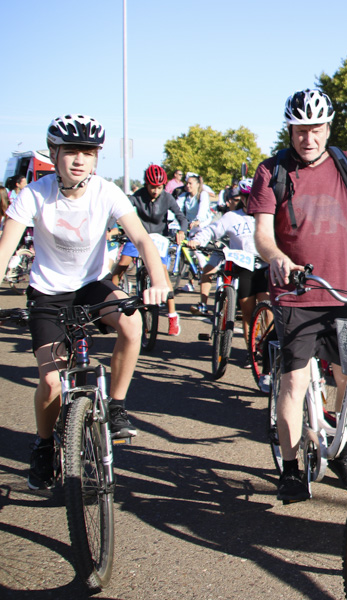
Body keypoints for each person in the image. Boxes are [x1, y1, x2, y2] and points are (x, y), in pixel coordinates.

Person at [0, 115, 172, 490]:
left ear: (96, 159)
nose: (80, 159)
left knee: (131, 321)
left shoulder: (106, 192)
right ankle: (44, 445)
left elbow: (142, 239)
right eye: (71, 151)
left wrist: (159, 280)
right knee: (50, 380)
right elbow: (5, 248)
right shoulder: (34, 194)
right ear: (53, 153)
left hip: (91, 286)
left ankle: (117, 405)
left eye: (88, 153)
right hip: (48, 292)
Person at [249, 88, 347, 503]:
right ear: (290, 130)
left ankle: (342, 443)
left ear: (327, 128)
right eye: (300, 130)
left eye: (315, 129)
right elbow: (262, 232)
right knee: (294, 382)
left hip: (345, 297)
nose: (308, 138)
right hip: (296, 297)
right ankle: (293, 470)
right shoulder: (272, 171)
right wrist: (276, 257)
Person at [110, 164, 187, 335]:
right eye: (152, 187)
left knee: (163, 273)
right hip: (138, 236)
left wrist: (182, 230)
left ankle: (173, 316)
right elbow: (117, 211)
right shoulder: (137, 197)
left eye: (159, 187)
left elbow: (181, 217)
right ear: (146, 184)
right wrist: (111, 228)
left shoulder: (167, 198)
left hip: (159, 238)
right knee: (121, 265)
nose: (155, 191)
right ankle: (111, 307)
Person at [188, 178, 269, 341]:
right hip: (244, 269)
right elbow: (211, 230)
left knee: (268, 310)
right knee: (249, 313)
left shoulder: (266, 216)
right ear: (243, 199)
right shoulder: (232, 217)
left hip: (265, 267)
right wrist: (197, 240)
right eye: (248, 197)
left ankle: (266, 348)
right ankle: (251, 351)